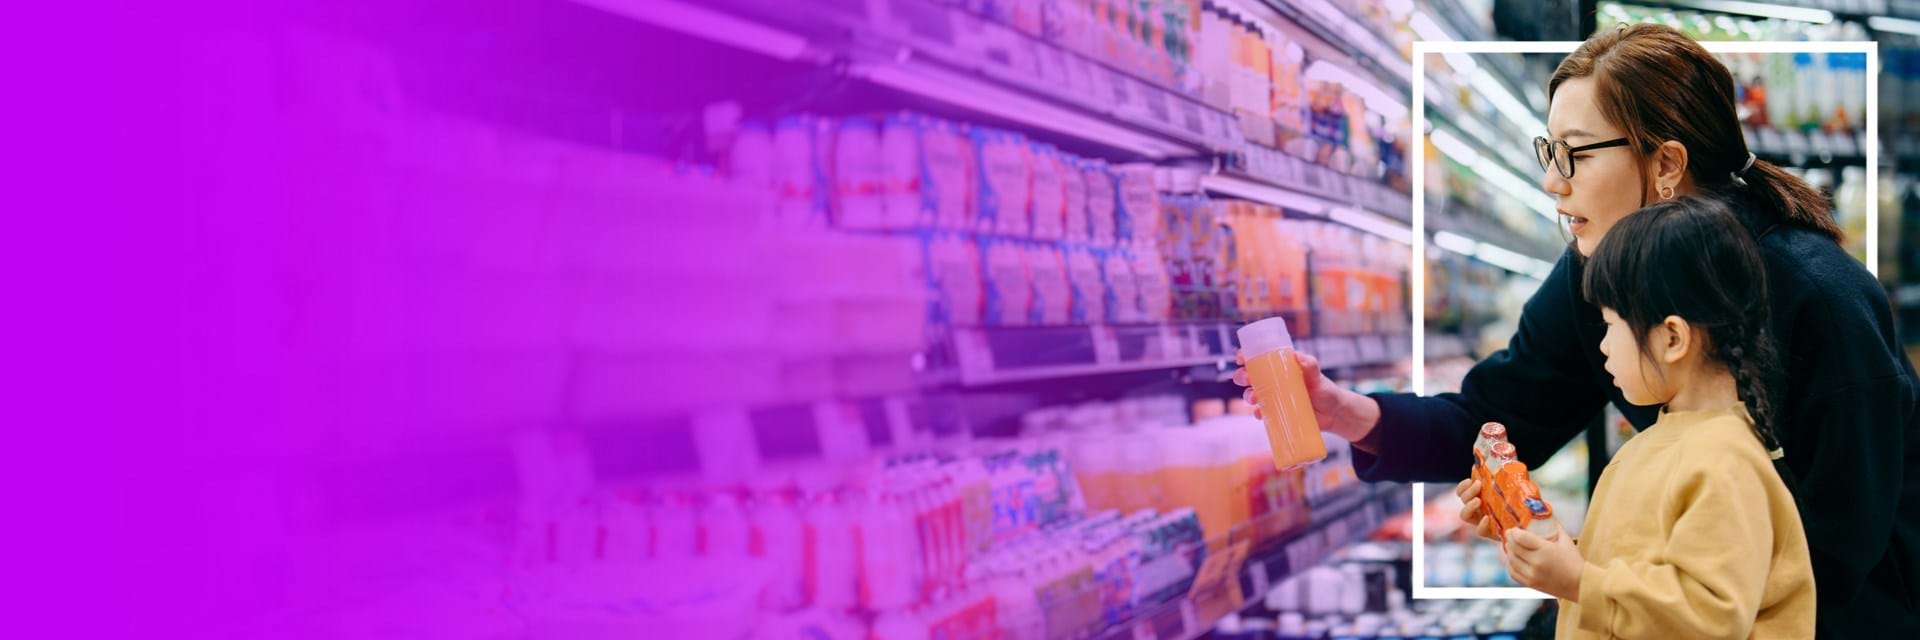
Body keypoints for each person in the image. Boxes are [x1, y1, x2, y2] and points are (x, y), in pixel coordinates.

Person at [1233, 23, 1918, 636]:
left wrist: (1601, 582)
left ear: (1666, 165)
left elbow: (1834, 550)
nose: (1553, 185)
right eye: (1548, 153)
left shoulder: (1821, 298)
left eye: (1577, 155)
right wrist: (1349, 413)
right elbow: (1497, 416)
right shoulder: (1599, 274)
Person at [1501, 196, 1813, 637]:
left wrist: (1578, 580)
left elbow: (1709, 615)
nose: (1603, 345)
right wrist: (1551, 551)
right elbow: (1639, 567)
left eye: (1610, 324)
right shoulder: (1662, 444)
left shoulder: (1724, 463)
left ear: (1671, 338)